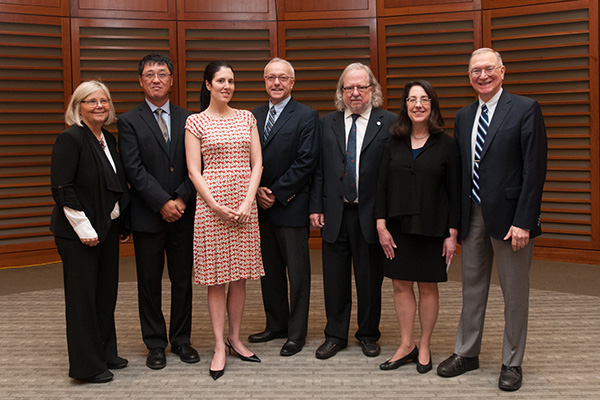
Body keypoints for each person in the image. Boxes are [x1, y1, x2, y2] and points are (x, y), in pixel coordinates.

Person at [437, 48, 547, 391]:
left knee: (514, 293)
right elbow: (462, 172)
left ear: (502, 71)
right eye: (475, 71)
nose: (482, 76)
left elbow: (535, 170)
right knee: (471, 289)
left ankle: (512, 361)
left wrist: (524, 221)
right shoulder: (464, 115)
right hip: (473, 215)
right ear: (469, 76)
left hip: (512, 218)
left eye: (488, 69)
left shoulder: (525, 109)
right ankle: (466, 353)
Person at [309, 63, 396, 360]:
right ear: (341, 92)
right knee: (334, 280)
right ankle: (335, 335)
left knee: (370, 279)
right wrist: (316, 206)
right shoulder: (326, 123)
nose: (355, 93)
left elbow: (393, 175)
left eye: (361, 87)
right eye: (349, 88)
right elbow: (318, 169)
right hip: (335, 212)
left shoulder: (391, 122)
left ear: (372, 90)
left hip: (371, 215)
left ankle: (369, 334)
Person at [118, 54, 199, 370]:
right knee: (149, 282)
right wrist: (162, 203)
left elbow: (198, 165)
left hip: (184, 214)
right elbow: (133, 169)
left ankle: (181, 340)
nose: (156, 79)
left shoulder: (189, 118)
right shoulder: (127, 121)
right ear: (140, 81)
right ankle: (155, 344)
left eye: (162, 74)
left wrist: (180, 198)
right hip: (148, 216)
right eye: (149, 74)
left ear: (171, 80)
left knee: (182, 281)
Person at [374, 80, 460, 374]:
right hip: (397, 226)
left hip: (433, 227)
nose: (418, 105)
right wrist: (381, 224)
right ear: (405, 106)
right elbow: (381, 186)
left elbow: (455, 192)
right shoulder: (393, 142)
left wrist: (452, 234)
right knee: (400, 285)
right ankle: (406, 344)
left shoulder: (447, 145)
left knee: (427, 286)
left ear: (432, 105)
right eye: (412, 99)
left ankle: (424, 344)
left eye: (424, 99)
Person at [185, 60, 264, 380]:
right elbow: (193, 170)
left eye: (231, 80)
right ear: (208, 85)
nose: (227, 86)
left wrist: (247, 201)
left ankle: (235, 337)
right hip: (211, 208)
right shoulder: (195, 122)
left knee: (240, 276)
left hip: (245, 208)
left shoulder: (247, 117)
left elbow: (257, 164)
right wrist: (216, 206)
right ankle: (219, 344)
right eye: (220, 80)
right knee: (216, 279)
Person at [50, 80, 130, 383]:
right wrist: (84, 229)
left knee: (105, 295)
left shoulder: (107, 138)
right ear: (77, 107)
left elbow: (113, 185)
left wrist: (117, 223)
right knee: (83, 300)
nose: (99, 106)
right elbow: (62, 189)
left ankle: (106, 352)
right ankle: (87, 367)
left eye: (104, 101)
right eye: (91, 101)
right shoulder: (70, 139)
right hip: (78, 234)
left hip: (106, 230)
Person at [247, 58, 319, 356]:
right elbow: (247, 158)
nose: (276, 83)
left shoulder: (306, 116)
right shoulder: (252, 115)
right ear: (264, 81)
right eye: (270, 78)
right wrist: (257, 192)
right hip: (259, 207)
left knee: (298, 273)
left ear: (292, 82)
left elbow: (306, 161)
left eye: (282, 78)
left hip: (290, 205)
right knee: (270, 270)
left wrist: (275, 192)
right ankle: (275, 323)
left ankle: (296, 332)